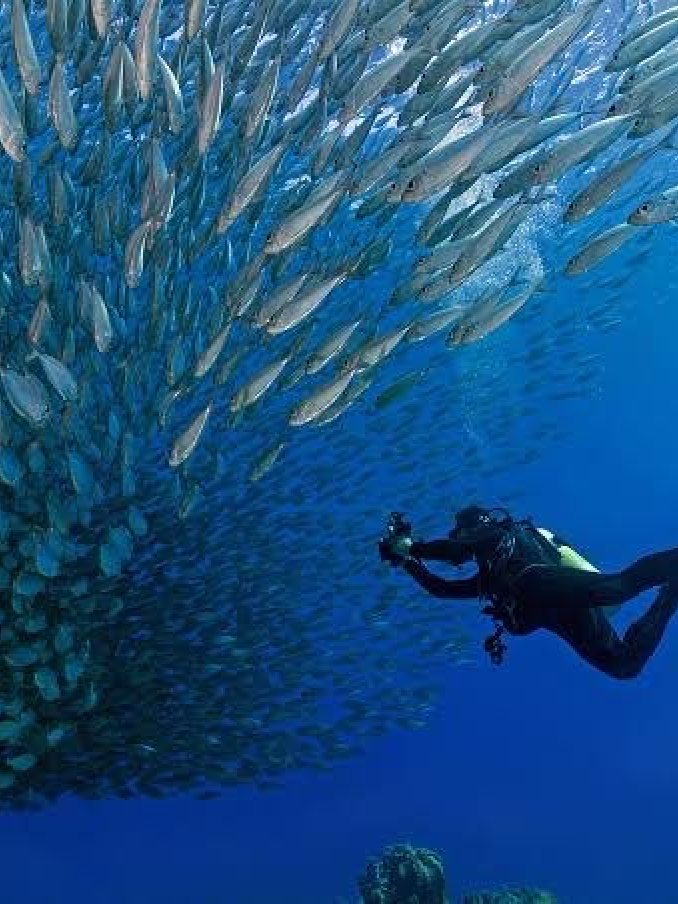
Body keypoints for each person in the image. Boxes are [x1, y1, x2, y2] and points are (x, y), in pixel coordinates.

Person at [378, 505, 678, 679]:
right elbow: (439, 588)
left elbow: (454, 550)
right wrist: (406, 563)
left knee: (617, 589)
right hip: (556, 614)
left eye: (460, 532)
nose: (459, 539)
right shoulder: (491, 579)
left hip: (541, 583)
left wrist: (414, 547)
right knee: (624, 666)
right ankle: (672, 594)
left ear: (474, 527)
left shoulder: (497, 535)